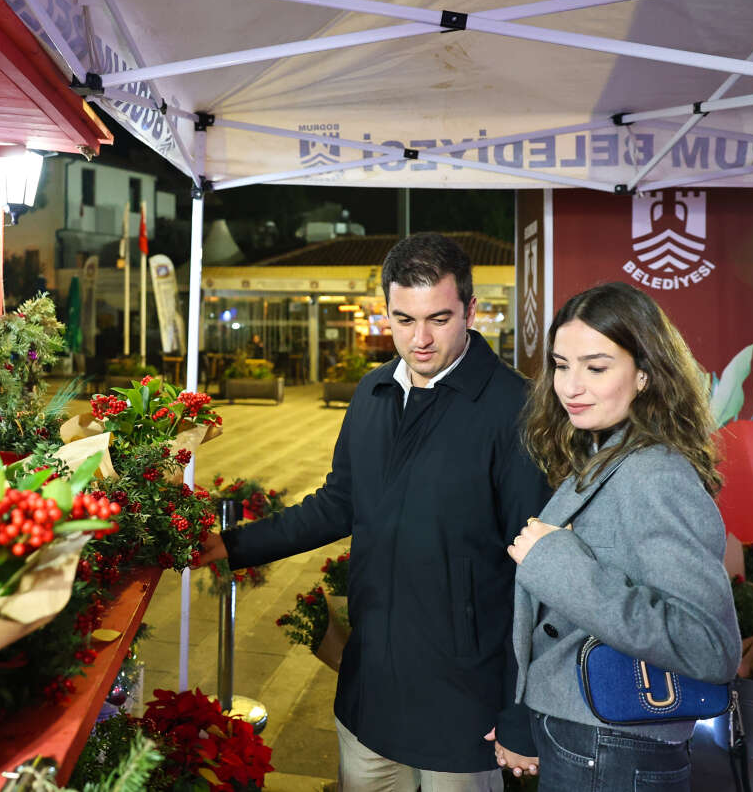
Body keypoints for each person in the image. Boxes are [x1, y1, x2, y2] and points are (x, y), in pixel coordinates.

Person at [200, 233, 551, 792]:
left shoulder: (515, 409)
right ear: (385, 311)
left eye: (439, 318)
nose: (421, 339)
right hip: (369, 688)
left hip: (464, 705)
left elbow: (537, 576)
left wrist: (518, 712)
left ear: (471, 310)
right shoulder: (372, 394)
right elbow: (339, 503)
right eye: (403, 319)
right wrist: (234, 545)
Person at [507, 282, 741, 791]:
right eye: (561, 365)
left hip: (612, 745)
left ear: (643, 375)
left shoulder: (653, 472)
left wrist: (555, 563)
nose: (570, 386)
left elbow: (710, 647)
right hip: (592, 735)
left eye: (595, 367)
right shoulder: (608, 453)